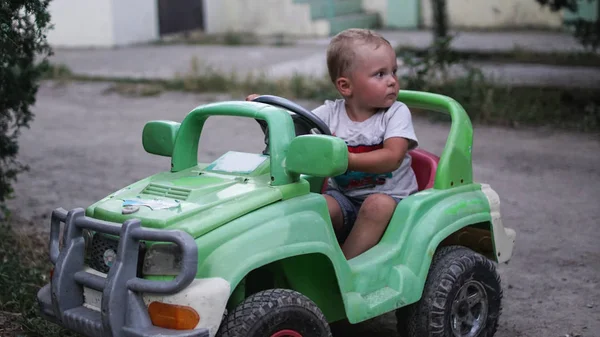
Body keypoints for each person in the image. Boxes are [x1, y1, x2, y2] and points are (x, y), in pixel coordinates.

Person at [247, 28, 418, 260]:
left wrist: (347, 160)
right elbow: (297, 134)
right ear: (346, 86)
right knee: (316, 205)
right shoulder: (330, 113)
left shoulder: (395, 113)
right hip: (346, 198)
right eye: (380, 74)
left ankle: (344, 268)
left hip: (394, 201)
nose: (392, 81)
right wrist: (267, 115)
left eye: (393, 72)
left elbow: (392, 157)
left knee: (377, 206)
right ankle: (304, 259)